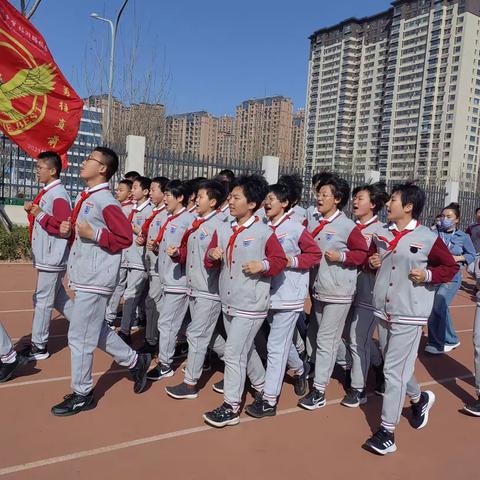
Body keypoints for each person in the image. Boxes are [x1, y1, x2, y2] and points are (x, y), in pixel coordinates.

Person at [51, 147, 151, 416]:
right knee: (92, 330)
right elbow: (85, 235)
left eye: (89, 160)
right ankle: (135, 360)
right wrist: (70, 231)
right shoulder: (88, 198)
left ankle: (82, 392)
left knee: (80, 336)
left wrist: (92, 232)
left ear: (103, 168)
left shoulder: (106, 201)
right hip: (86, 274)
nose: (83, 163)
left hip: (98, 277)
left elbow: (123, 239)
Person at [364, 183, 458, 455]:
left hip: (410, 312)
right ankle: (418, 400)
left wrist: (428, 276)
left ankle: (387, 432)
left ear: (408, 206)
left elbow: (450, 268)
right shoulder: (382, 233)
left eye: (393, 200)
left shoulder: (427, 237)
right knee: (398, 366)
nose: (388, 204)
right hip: (383, 309)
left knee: (393, 371)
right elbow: (377, 260)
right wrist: (373, 262)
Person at [203, 174, 287, 428]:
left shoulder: (263, 232)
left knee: (233, 353)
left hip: (250, 303)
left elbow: (279, 260)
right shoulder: (224, 227)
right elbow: (209, 260)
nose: (230, 201)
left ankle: (231, 406)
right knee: (243, 351)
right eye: (230, 197)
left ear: (252, 204)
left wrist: (261, 265)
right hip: (228, 298)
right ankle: (261, 387)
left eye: (236, 197)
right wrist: (212, 254)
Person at [245, 178, 321, 419]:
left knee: (276, 346)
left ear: (285, 203)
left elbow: (315, 254)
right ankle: (300, 369)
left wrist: (293, 261)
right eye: (266, 199)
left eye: (272, 199)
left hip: (288, 295)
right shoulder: (261, 226)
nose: (267, 203)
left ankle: (269, 400)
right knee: (278, 343)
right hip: (266, 292)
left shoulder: (296, 228)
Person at [298, 173, 368, 411]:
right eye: (318, 194)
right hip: (318, 288)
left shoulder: (347, 227)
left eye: (325, 195)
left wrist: (342, 257)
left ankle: (319, 390)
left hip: (339, 291)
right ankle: (345, 365)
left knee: (327, 339)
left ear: (337, 199)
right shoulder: (314, 222)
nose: (319, 198)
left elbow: (363, 254)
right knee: (319, 337)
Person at [165, 180, 226, 399]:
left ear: (213, 201)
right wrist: (176, 254)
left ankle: (190, 384)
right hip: (194, 287)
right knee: (206, 335)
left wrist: (213, 257)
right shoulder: (197, 224)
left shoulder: (220, 225)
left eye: (200, 197)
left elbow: (218, 259)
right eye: (196, 197)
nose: (196, 200)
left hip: (209, 290)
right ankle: (240, 363)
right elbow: (189, 254)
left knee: (198, 335)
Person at [22, 151, 71, 360]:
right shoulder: (48, 193)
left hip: (53, 256)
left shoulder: (58, 195)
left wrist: (38, 213)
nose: (37, 172)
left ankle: (39, 346)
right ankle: (87, 325)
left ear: (52, 170)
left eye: (40, 168)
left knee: (42, 300)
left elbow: (63, 227)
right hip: (48, 255)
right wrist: (35, 211)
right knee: (60, 299)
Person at [146, 180, 196, 380]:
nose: (164, 199)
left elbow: (190, 252)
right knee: (175, 323)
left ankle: (165, 363)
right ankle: (180, 350)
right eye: (164, 195)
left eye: (168, 195)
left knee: (167, 323)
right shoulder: (169, 218)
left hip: (179, 281)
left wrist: (178, 254)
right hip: (168, 278)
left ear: (181, 197)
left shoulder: (187, 221)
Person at [425, 203, 476, 354]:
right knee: (436, 307)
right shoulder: (432, 234)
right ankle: (451, 338)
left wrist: (458, 257)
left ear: (457, 220)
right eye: (442, 216)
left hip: (452, 277)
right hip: (434, 274)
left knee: (438, 304)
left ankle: (437, 343)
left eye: (449, 217)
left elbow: (472, 255)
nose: (444, 219)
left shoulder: (463, 237)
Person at [136, 176, 170, 355]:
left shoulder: (165, 215)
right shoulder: (154, 212)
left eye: (154, 189)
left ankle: (152, 341)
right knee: (151, 303)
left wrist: (156, 248)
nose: (151, 193)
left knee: (153, 303)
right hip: (151, 266)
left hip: (159, 268)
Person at [118, 176, 153, 344]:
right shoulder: (132, 209)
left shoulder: (149, 212)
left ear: (145, 192)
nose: (132, 190)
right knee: (138, 297)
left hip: (140, 261)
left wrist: (140, 232)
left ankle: (125, 331)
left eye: (136, 187)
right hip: (128, 257)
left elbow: (151, 236)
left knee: (132, 295)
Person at [105, 179, 134, 328]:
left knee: (118, 287)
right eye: (117, 189)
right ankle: (108, 315)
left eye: (121, 190)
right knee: (114, 285)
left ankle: (109, 317)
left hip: (125, 255)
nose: (117, 192)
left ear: (130, 194)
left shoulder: (128, 209)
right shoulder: (120, 207)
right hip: (119, 254)